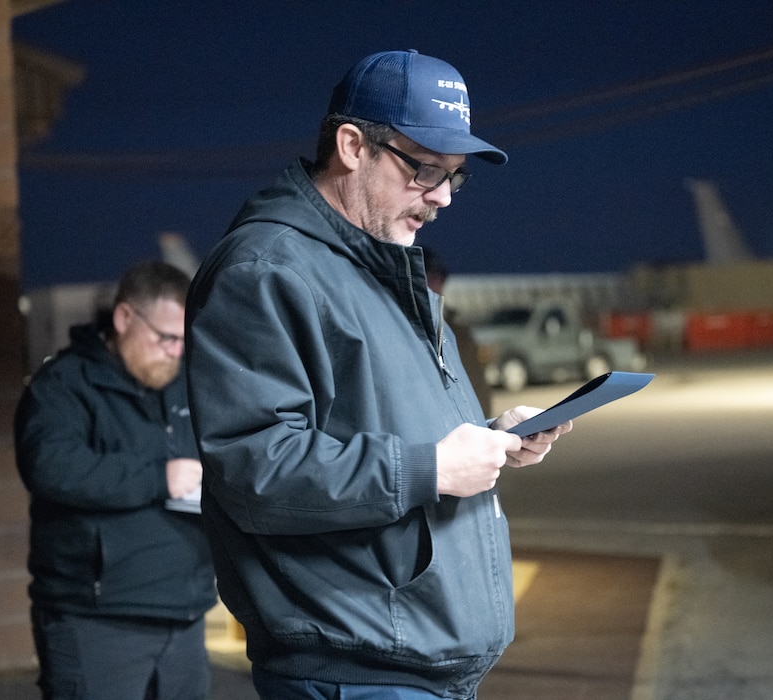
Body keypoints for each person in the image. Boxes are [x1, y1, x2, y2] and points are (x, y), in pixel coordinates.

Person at [185, 50, 571, 700]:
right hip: (356, 673)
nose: (443, 197)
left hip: (411, 665)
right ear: (352, 146)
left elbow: (386, 423)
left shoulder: (378, 262)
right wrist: (429, 469)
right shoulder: (268, 271)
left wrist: (489, 436)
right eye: (424, 170)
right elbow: (254, 466)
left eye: (455, 177)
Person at [14, 261, 217, 700]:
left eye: (186, 340)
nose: (177, 352)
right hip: (97, 617)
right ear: (125, 319)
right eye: (167, 338)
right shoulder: (64, 386)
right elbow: (51, 467)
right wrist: (159, 478)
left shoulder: (185, 384)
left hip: (183, 611)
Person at [421, 246, 493, 416]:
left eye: (437, 278)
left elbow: (477, 383)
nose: (432, 284)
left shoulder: (459, 329)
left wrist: (487, 424)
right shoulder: (407, 330)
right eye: (425, 277)